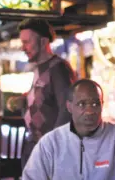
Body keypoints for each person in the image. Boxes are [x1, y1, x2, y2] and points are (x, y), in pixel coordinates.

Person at [7, 19, 77, 169]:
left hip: (48, 148)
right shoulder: (39, 68)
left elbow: (67, 110)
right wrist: (24, 102)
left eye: (27, 42)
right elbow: (45, 100)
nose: (23, 48)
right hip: (34, 144)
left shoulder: (58, 68)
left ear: (44, 41)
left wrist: (52, 144)